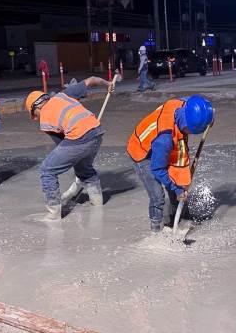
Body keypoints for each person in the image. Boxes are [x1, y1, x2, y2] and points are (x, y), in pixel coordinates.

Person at [25, 76, 114, 222]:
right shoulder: (63, 95)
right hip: (97, 132)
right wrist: (107, 84)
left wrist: (72, 159)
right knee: (84, 169)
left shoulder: (45, 120)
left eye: (34, 115)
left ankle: (53, 214)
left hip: (79, 137)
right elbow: (91, 80)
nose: (35, 119)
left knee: (47, 170)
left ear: (37, 107)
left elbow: (64, 146)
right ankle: (97, 203)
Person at [126, 95, 214, 232]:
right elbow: (158, 169)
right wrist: (178, 189)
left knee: (178, 182)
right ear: (185, 125)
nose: (191, 134)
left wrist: (207, 119)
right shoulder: (164, 139)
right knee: (157, 196)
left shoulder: (184, 105)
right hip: (142, 152)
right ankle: (156, 229)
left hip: (159, 145)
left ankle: (180, 219)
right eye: (191, 131)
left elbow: (200, 108)